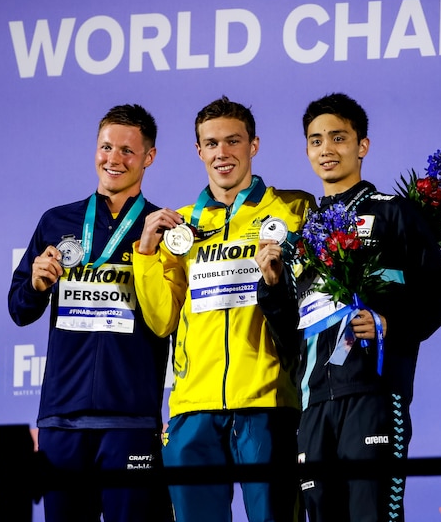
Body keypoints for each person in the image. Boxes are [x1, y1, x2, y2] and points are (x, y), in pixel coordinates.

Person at [257, 93, 441, 522]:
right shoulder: (303, 234)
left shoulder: (393, 214)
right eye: (315, 140)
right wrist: (273, 286)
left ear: (361, 145)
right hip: (314, 402)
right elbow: (288, 331)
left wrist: (389, 323)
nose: (326, 149)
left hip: (373, 394)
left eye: (338, 137)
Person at [132, 96, 315, 522]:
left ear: (254, 145)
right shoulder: (178, 226)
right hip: (194, 408)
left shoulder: (292, 209)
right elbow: (161, 321)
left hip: (268, 401)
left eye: (233, 141)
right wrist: (144, 251)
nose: (222, 153)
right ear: (199, 151)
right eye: (211, 143)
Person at [8, 104, 172, 522]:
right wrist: (36, 285)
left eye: (127, 151)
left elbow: (168, 317)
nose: (113, 159)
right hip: (62, 419)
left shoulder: (161, 229)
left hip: (131, 418)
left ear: (148, 157)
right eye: (106, 147)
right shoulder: (56, 221)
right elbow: (19, 309)